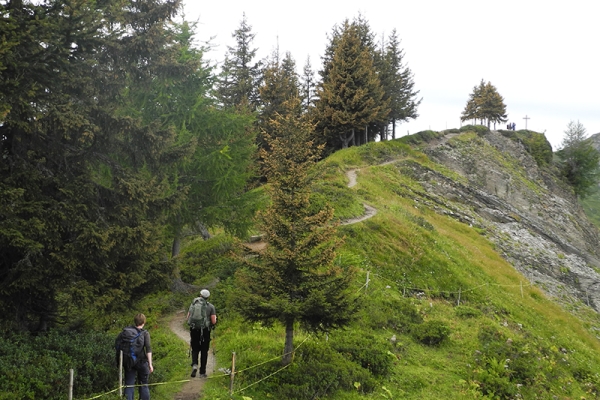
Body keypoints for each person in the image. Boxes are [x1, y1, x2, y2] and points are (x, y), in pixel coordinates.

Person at [116, 313, 154, 400]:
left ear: (135, 322)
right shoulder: (145, 333)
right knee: (144, 383)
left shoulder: (126, 332)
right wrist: (150, 364)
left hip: (129, 361)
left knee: (129, 384)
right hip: (141, 362)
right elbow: (148, 349)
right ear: (144, 322)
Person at [187, 289, 217, 378]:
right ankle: (202, 372)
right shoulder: (211, 307)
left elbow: (188, 317)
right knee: (204, 351)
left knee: (195, 349)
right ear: (208, 297)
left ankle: (195, 364)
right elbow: (213, 321)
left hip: (194, 329)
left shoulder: (193, 304)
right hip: (205, 331)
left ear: (200, 295)